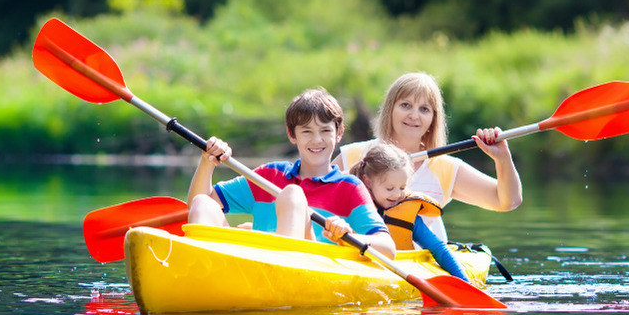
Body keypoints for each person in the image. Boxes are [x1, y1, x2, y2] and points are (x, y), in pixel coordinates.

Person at [187, 87, 397, 260]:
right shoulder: (269, 175)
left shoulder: (349, 188)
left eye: (325, 131)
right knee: (203, 204)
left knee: (292, 195)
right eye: (307, 131)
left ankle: (279, 267)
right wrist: (207, 162)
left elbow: (388, 247)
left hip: (306, 268)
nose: (317, 140)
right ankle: (201, 272)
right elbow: (198, 204)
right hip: (253, 267)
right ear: (292, 134)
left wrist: (348, 235)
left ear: (339, 133)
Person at [335, 72, 523, 241]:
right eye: (405, 105)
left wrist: (502, 158)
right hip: (361, 254)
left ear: (433, 118)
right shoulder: (354, 155)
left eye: (424, 109)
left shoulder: (445, 168)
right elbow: (312, 191)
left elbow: (507, 201)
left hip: (421, 264)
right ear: (390, 110)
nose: (414, 115)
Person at [349, 141, 470, 281]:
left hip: (396, 274)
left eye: (402, 188)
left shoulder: (408, 214)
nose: (396, 195)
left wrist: (465, 282)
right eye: (389, 188)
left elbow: (438, 248)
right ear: (368, 181)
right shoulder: (351, 207)